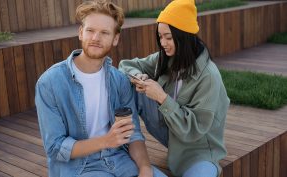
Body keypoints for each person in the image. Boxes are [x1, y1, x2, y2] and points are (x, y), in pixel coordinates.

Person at [35, 1, 167, 177]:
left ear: (115, 38)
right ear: (81, 32)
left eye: (104, 32)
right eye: (90, 30)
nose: (96, 38)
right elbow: (55, 147)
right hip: (78, 168)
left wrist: (145, 168)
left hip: (118, 159)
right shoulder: (49, 82)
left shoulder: (119, 80)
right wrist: (106, 141)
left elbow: (133, 133)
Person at [118, 0, 230, 177]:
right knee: (128, 84)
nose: (163, 43)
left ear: (184, 36)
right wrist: (139, 77)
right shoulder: (167, 58)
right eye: (160, 37)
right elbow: (126, 65)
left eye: (168, 37)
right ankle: (129, 146)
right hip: (172, 134)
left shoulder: (209, 77)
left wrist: (161, 97)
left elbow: (193, 130)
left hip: (198, 149)